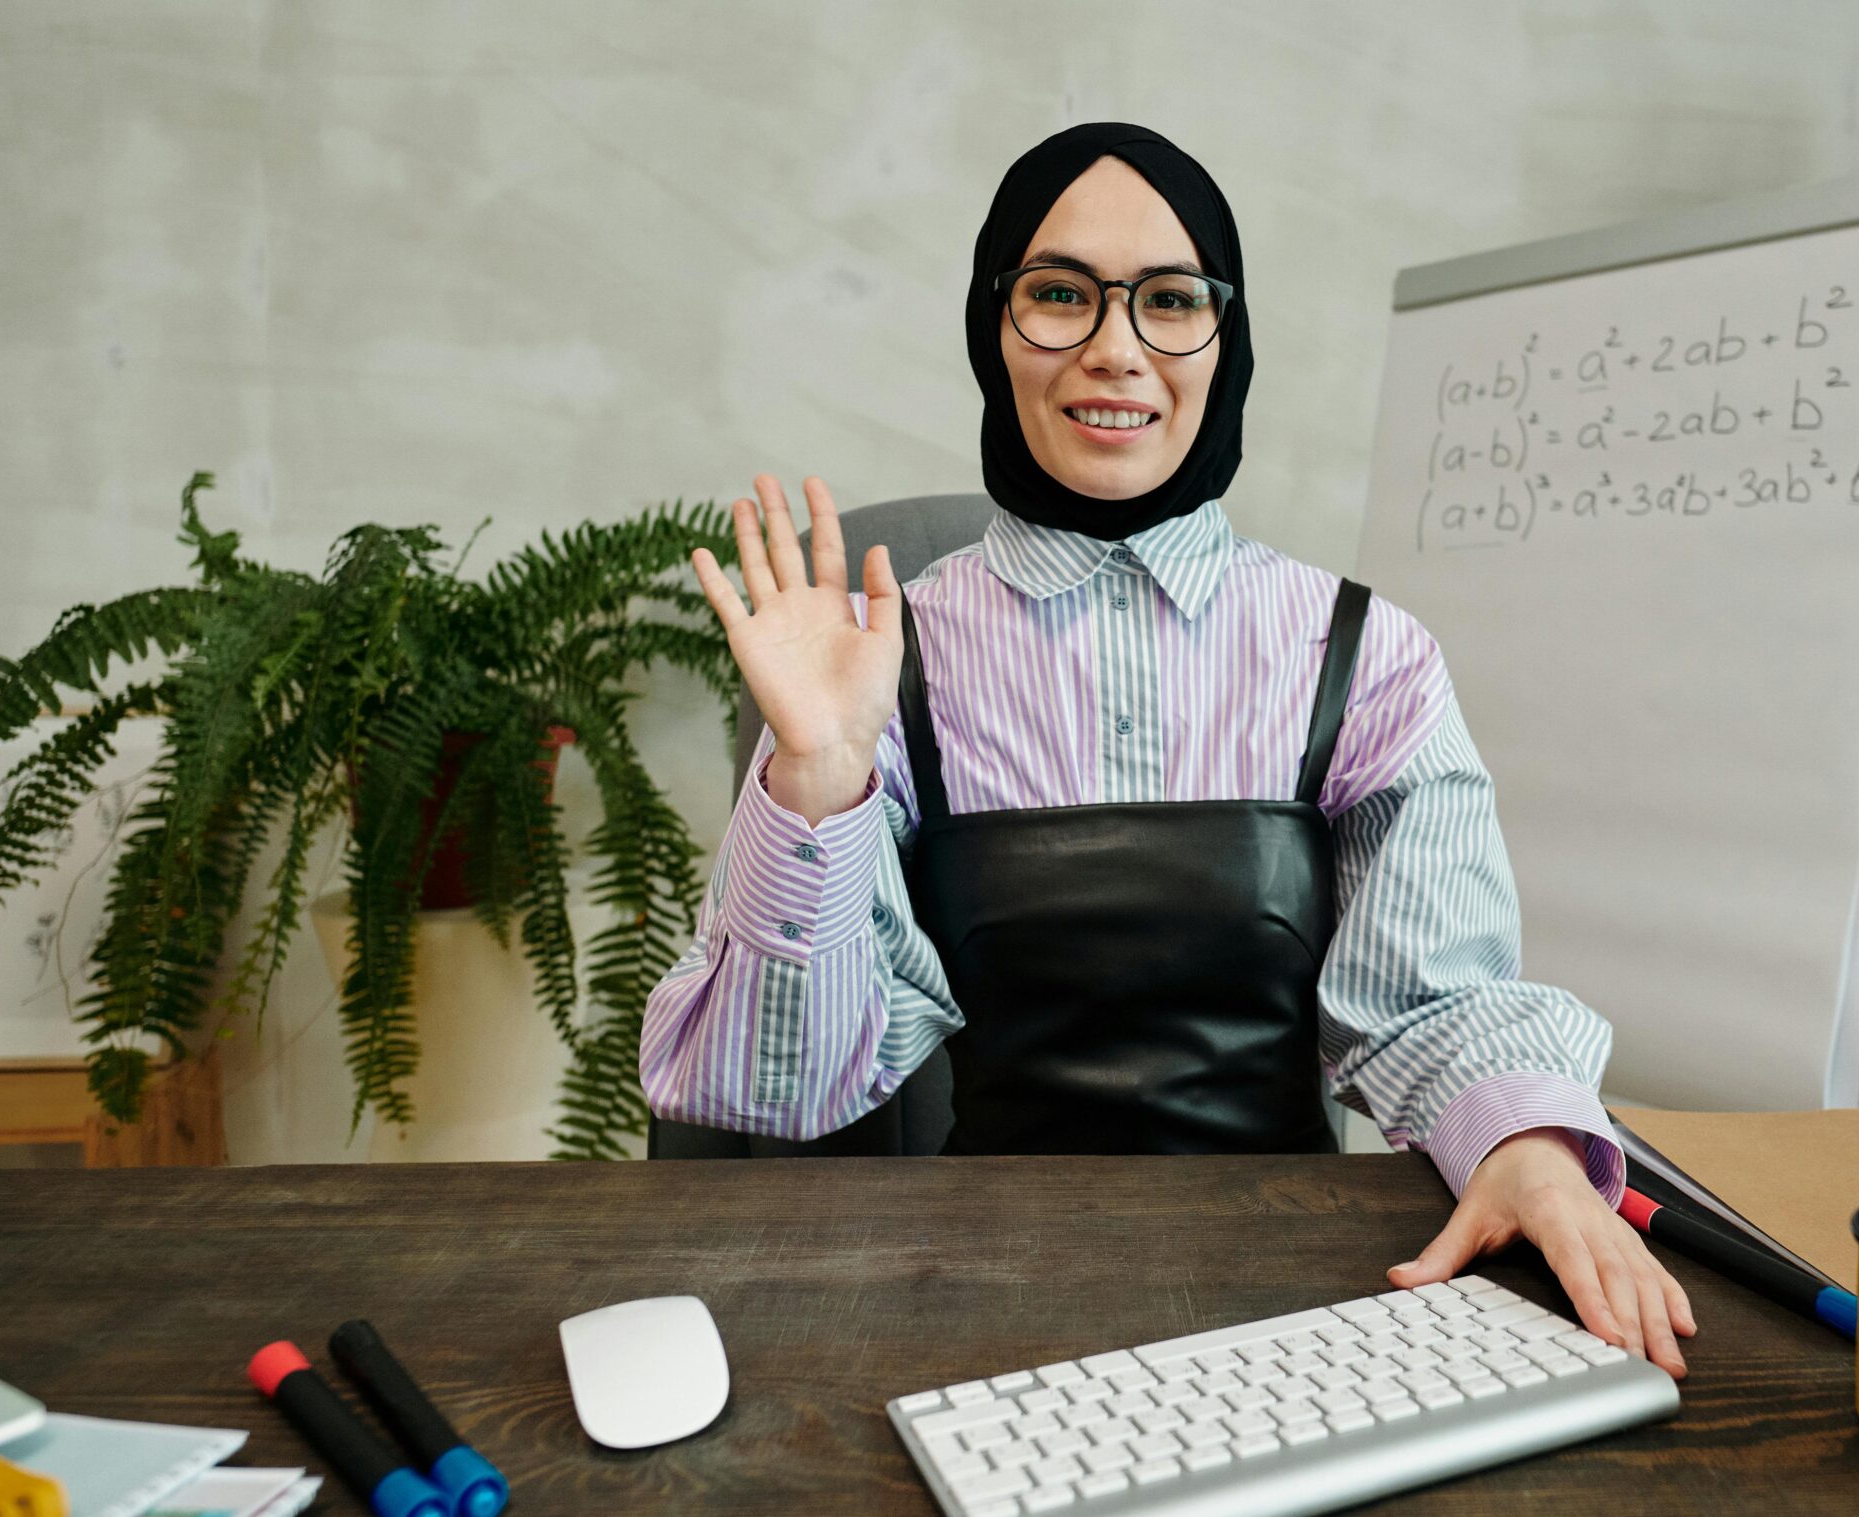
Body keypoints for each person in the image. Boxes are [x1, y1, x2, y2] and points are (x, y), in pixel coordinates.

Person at [642, 122, 1694, 1378]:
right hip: (977, 1297)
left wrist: (1528, 1151)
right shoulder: (889, 654)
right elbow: (782, 1093)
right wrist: (815, 772)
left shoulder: (1360, 650)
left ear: (1224, 334)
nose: (1114, 348)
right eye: (1057, 294)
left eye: (1169, 300)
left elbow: (1442, 1002)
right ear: (994, 325)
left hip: (1308, 1294)